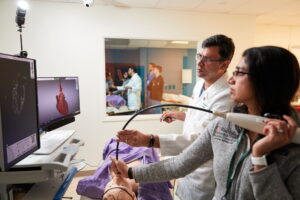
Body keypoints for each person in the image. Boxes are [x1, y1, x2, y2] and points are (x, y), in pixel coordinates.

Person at [111, 46, 300, 200]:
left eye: (240, 73)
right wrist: (131, 172)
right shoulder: (224, 125)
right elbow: (179, 164)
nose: (231, 79)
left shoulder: (293, 147)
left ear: (267, 81)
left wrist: (259, 158)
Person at [116, 34, 235, 199]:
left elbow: (201, 141)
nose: (199, 63)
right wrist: (179, 115)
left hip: (204, 176)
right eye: (200, 56)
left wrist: (149, 140)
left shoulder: (227, 98)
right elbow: (200, 117)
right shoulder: (201, 83)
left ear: (224, 64)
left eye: (207, 59)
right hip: (185, 169)